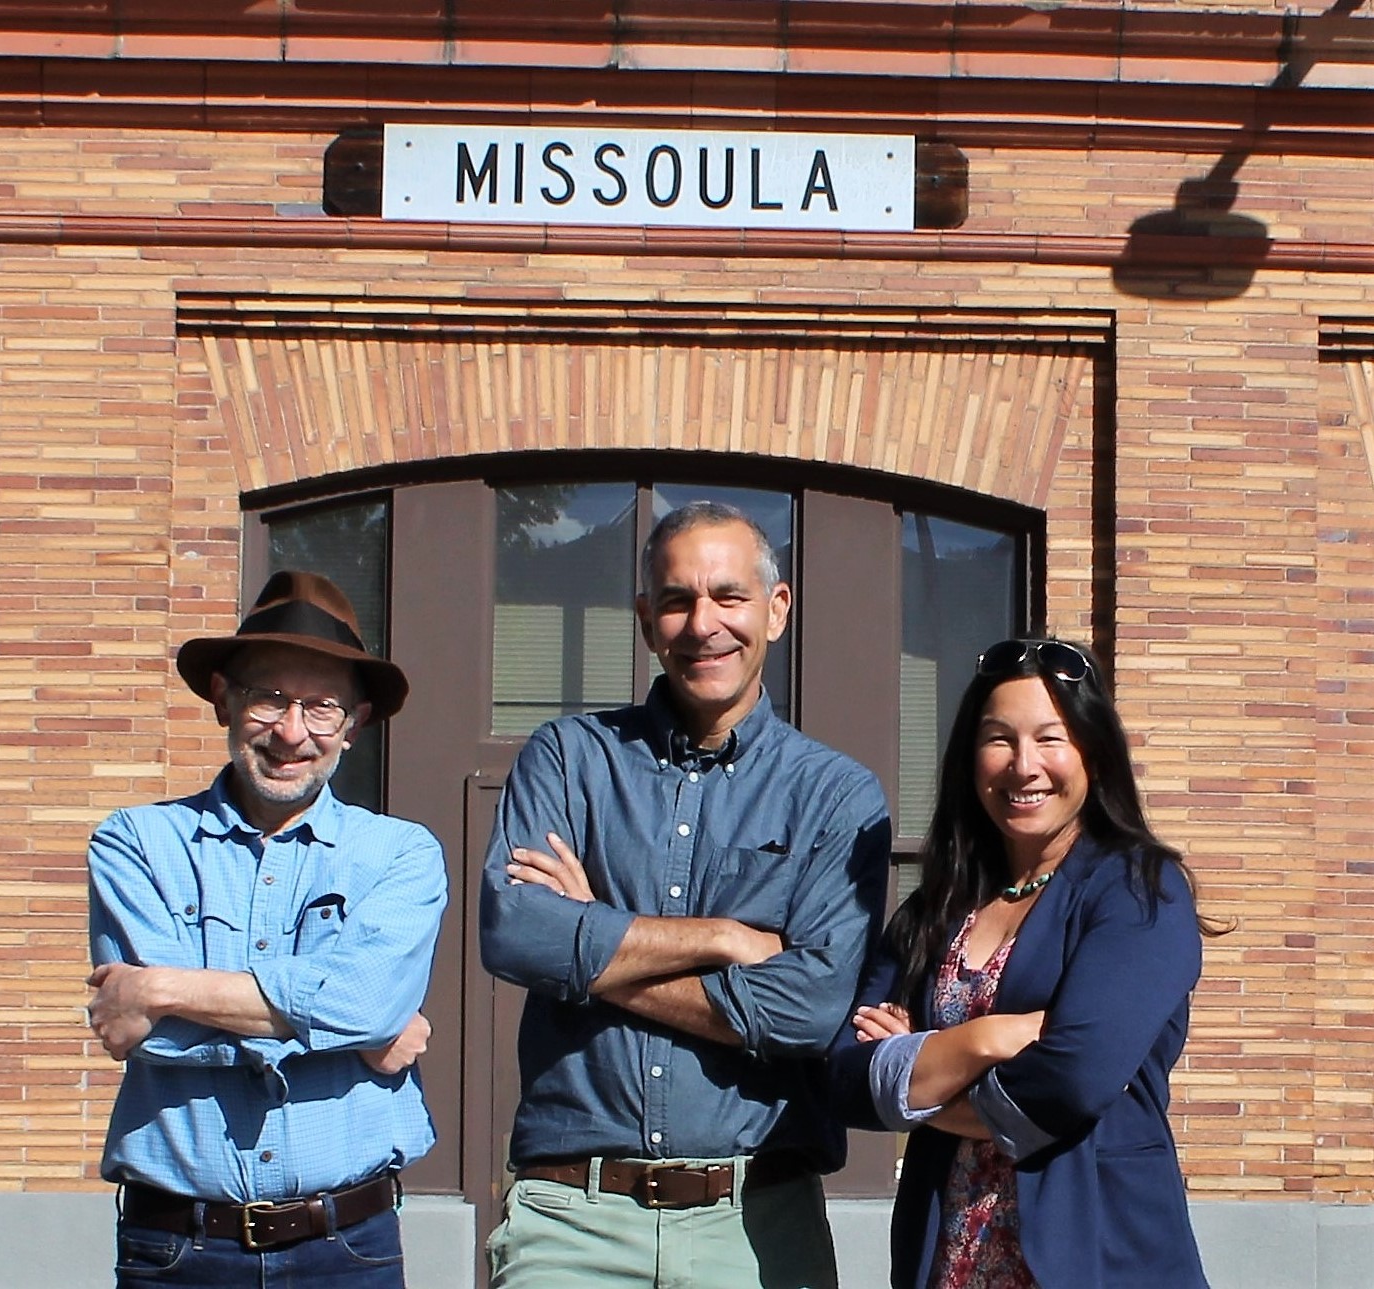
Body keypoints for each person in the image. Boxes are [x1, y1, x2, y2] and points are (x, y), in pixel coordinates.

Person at [479, 500, 892, 1289]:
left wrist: (591, 941)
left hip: (755, 1221)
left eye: (729, 597)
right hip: (572, 1219)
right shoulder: (568, 758)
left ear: (776, 610)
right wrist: (724, 939)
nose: (704, 623)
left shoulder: (836, 795)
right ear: (645, 618)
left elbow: (806, 1009)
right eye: (676, 600)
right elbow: (514, 931)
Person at [86, 570, 448, 1288]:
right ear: (224, 697)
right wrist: (353, 1027)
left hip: (348, 1246)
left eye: (320, 706)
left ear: (355, 722)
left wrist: (160, 986)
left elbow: (363, 1004)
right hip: (176, 1249)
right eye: (270, 698)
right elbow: (146, 1034)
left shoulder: (402, 852)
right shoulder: (134, 841)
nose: (291, 731)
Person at [828, 637, 1215, 1289]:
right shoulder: (940, 905)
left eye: (1050, 738)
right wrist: (990, 1036)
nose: (1024, 765)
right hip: (946, 1259)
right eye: (999, 738)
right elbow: (842, 1074)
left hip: (1098, 1258)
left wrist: (920, 1076)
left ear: (1093, 750)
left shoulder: (1139, 889)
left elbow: (1075, 1078)